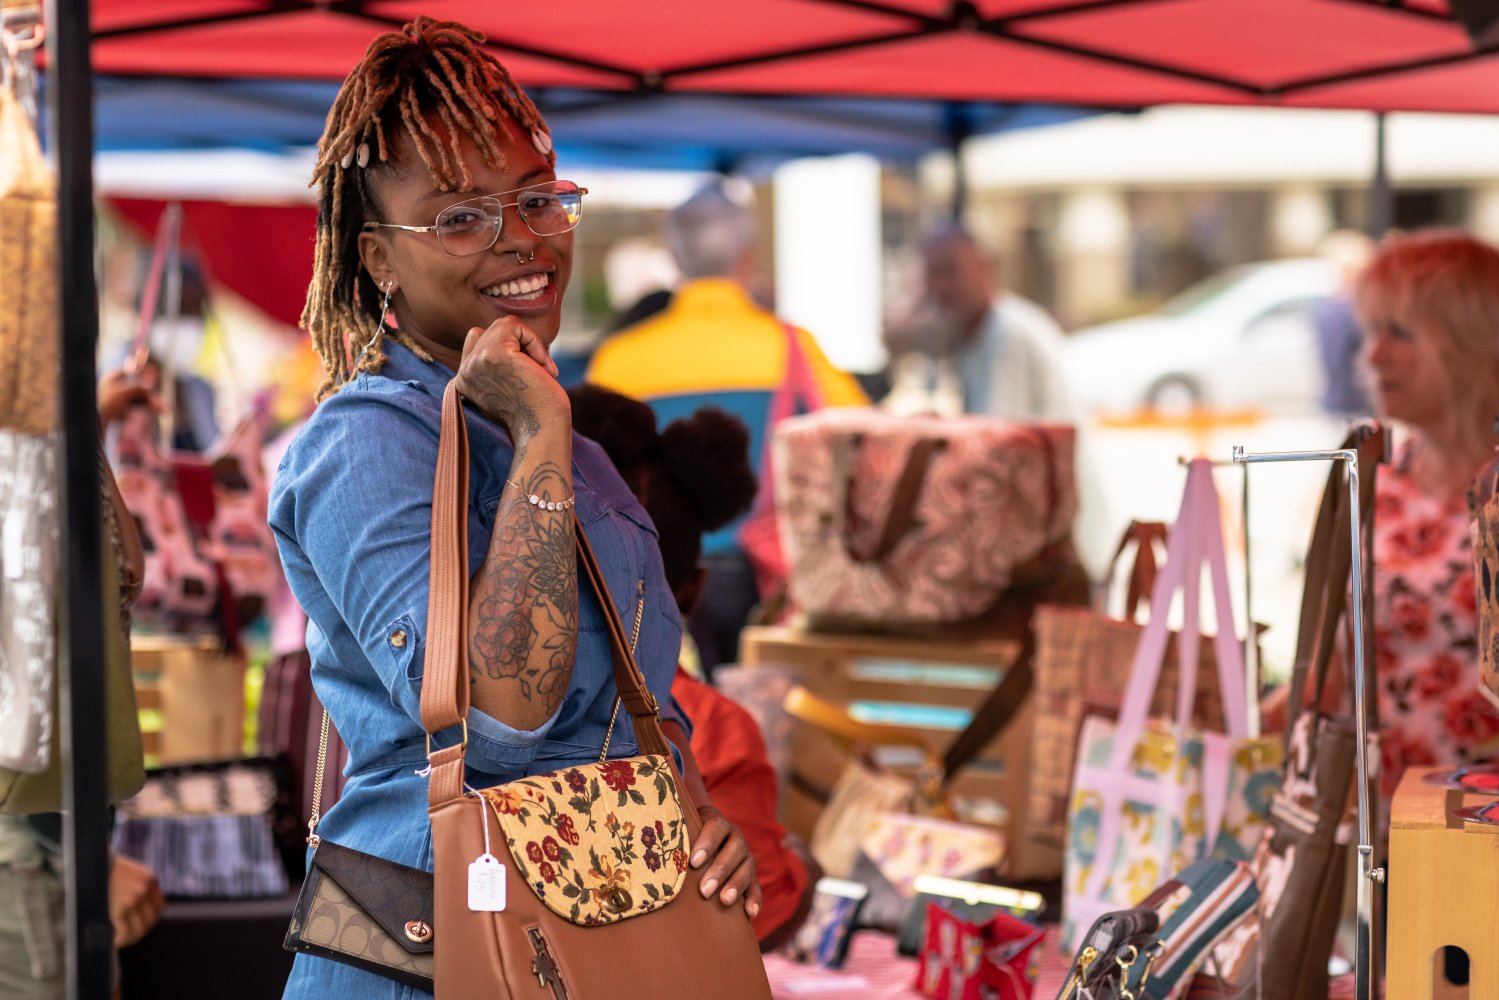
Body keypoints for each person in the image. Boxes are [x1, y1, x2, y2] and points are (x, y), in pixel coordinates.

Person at [268, 19, 759, 999]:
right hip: (424, 958)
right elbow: (497, 718)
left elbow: (644, 709)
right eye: (460, 217)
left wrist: (694, 820)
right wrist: (535, 441)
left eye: (538, 197)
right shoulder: (365, 444)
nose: (522, 239)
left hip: (594, 938)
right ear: (375, 258)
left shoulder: (577, 450)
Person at [568, 384, 820, 948]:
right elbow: (763, 909)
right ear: (690, 591)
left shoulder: (508, 702)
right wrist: (805, 874)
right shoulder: (718, 725)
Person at [586, 185, 869, 674]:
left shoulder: (620, 358)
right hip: (765, 577)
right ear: (747, 254)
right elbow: (863, 436)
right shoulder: (794, 348)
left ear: (675, 256)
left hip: (655, 578)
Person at [1353, 230, 1499, 804]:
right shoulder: (1372, 483)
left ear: (1469, 344)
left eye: (1400, 333)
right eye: (1372, 331)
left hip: (1481, 840)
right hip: (1379, 839)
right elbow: (1336, 668)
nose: (1374, 356)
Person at [915, 225, 1076, 423]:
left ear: (985, 268)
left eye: (949, 270)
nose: (940, 286)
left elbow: (998, 438)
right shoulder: (974, 331)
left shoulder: (1009, 333)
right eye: (932, 273)